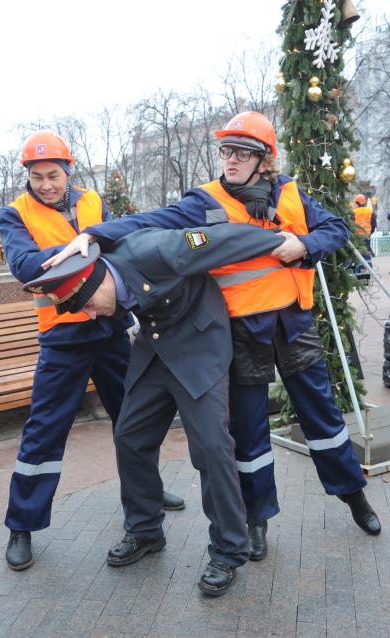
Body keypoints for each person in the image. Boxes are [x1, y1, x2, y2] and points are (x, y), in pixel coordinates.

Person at [48, 111, 381, 564]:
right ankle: (257, 519)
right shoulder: (203, 200)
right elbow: (152, 221)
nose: (231, 159)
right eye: (226, 150)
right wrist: (93, 234)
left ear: (264, 159)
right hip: (243, 332)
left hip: (293, 324)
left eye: (242, 152)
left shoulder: (290, 193)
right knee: (248, 433)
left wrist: (305, 246)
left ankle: (353, 496)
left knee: (323, 418)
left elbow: (336, 228)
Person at [29, 221, 286, 596]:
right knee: (130, 436)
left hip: (200, 346)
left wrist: (285, 242)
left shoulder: (161, 249)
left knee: (212, 449)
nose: (92, 316)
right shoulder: (107, 267)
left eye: (87, 306)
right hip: (156, 347)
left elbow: (225, 238)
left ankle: (229, 550)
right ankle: (145, 530)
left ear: (97, 283)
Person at [0, 130, 183, 572]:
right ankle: (22, 525)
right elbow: (25, 266)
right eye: (38, 177)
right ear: (27, 176)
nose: (46, 185)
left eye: (54, 175)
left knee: (134, 421)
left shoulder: (92, 201)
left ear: (68, 171)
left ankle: (147, 496)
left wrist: (82, 247)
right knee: (45, 431)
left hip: (111, 329)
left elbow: (122, 242)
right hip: (63, 338)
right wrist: (90, 245)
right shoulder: (14, 214)